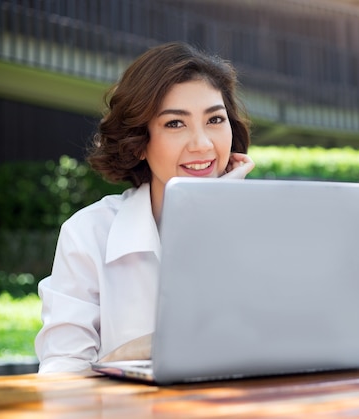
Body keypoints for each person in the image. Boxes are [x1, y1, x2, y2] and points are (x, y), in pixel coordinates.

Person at [35, 42, 255, 373]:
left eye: (215, 119)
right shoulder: (88, 234)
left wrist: (224, 202)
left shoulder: (263, 225)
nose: (203, 144)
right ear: (139, 143)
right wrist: (138, 352)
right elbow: (62, 378)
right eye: (175, 124)